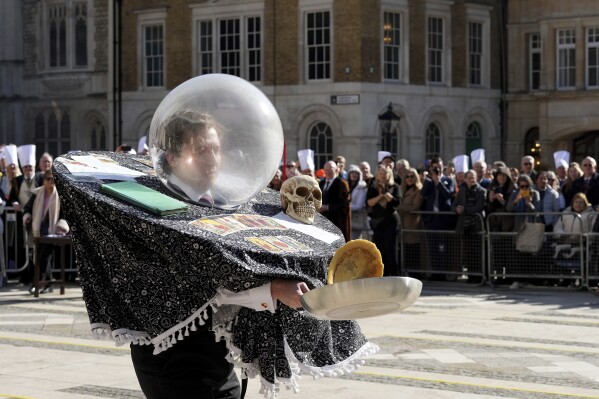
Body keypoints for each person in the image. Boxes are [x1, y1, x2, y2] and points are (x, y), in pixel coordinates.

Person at [143, 109, 310, 398]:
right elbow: (200, 287)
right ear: (172, 157)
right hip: (173, 360)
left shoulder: (222, 204)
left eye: (216, 150)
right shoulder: (159, 209)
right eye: (202, 150)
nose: (212, 160)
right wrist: (273, 290)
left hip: (213, 356)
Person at [22, 170, 69, 293]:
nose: (51, 182)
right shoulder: (38, 193)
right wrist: (27, 216)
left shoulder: (60, 195)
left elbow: (65, 214)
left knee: (43, 257)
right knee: (41, 257)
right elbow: (27, 208)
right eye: (48, 179)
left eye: (53, 179)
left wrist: (61, 225)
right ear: (44, 181)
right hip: (38, 229)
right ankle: (48, 284)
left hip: (52, 230)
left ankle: (37, 284)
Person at [420, 156, 456, 277]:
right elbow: (423, 194)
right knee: (433, 247)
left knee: (443, 247)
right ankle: (435, 272)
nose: (437, 170)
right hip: (431, 219)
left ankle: (443, 272)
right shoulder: (428, 181)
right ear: (431, 168)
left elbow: (448, 195)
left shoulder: (448, 180)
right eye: (435, 168)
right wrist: (430, 180)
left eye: (439, 167)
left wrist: (438, 182)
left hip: (443, 218)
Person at [452, 170, 486, 280]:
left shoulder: (481, 191)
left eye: (474, 177)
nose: (472, 179)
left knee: (477, 252)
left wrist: (464, 209)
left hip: (476, 226)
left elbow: (479, 207)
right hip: (464, 226)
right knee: (468, 253)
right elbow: (455, 204)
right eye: (470, 177)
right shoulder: (461, 190)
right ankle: (471, 276)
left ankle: (478, 276)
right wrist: (457, 209)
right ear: (465, 179)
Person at [366, 165, 400, 276]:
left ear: (389, 175)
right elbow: (369, 202)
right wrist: (381, 196)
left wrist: (386, 194)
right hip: (378, 223)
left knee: (390, 250)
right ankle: (382, 275)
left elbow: (396, 202)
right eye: (380, 173)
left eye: (385, 173)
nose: (383, 175)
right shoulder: (373, 187)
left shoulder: (395, 187)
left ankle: (394, 275)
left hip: (391, 221)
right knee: (380, 251)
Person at [396, 168, 424, 275]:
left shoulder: (419, 189)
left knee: (413, 252)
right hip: (401, 224)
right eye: (407, 176)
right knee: (402, 252)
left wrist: (399, 206)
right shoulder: (401, 189)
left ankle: (414, 275)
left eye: (412, 176)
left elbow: (415, 206)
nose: (410, 179)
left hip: (412, 225)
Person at [318, 160, 351, 242]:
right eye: (326, 170)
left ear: (336, 170)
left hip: (336, 222)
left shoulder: (342, 184)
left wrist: (328, 207)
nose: (328, 172)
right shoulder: (320, 183)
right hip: (322, 222)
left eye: (330, 169)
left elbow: (345, 203)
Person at [486, 166, 516, 232]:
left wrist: (502, 200)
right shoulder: (492, 187)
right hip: (494, 219)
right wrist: (492, 198)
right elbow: (489, 205)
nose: (501, 177)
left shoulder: (512, 188)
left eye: (504, 175)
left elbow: (511, 205)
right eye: (499, 175)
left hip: (507, 220)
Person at [347, 164, 368, 240]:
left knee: (355, 243)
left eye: (356, 173)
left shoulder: (362, 187)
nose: (354, 175)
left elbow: (359, 206)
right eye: (352, 173)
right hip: (347, 220)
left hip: (357, 221)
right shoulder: (346, 186)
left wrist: (346, 206)